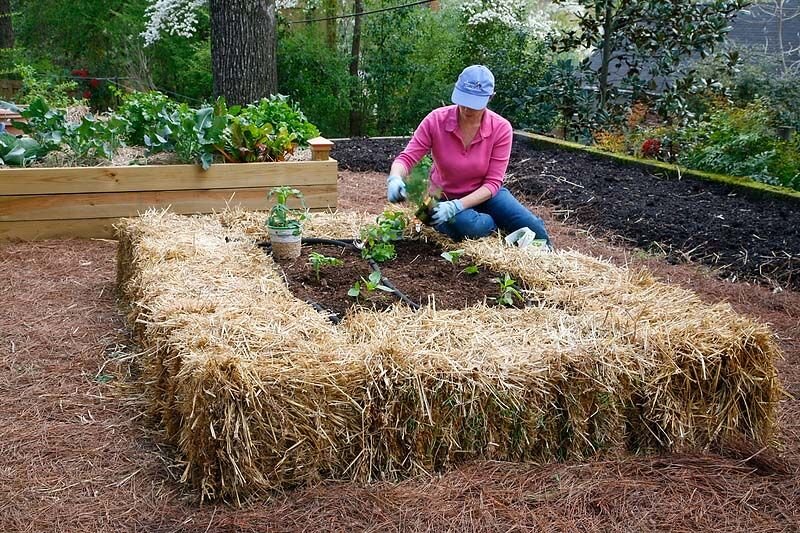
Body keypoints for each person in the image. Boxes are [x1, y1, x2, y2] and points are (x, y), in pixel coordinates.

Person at [386, 64, 551, 245]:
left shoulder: (501, 128)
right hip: (442, 197)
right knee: (470, 227)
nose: (466, 109)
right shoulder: (436, 120)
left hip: (485, 195)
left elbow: (493, 183)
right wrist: (395, 178)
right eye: (463, 100)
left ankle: (496, 224)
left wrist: (458, 206)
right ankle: (492, 226)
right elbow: (406, 159)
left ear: (490, 98)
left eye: (475, 103)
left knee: (535, 230)